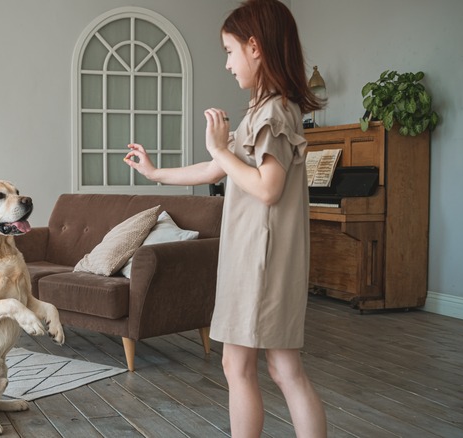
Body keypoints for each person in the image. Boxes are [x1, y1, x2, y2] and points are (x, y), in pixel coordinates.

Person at [123, 1, 327, 436]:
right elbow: (215, 169)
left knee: (253, 366)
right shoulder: (263, 110)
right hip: (256, 257)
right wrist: (156, 172)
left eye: (230, 51)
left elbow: (267, 187)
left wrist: (218, 150)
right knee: (276, 367)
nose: (229, 63)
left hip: (262, 260)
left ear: (255, 47)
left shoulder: (273, 113)